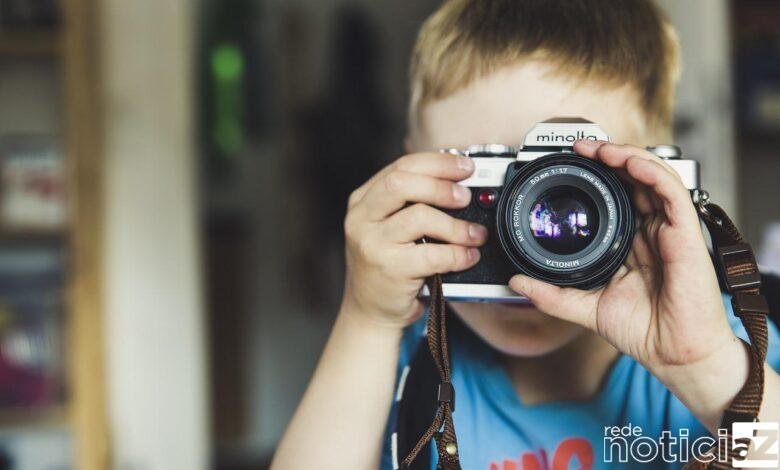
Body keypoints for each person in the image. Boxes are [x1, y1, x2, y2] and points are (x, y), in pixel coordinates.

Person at [270, 1, 780, 468]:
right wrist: (367, 320)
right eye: (489, 186)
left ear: (655, 180)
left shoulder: (721, 345)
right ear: (411, 174)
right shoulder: (402, 363)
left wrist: (705, 370)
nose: (528, 243)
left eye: (574, 185)